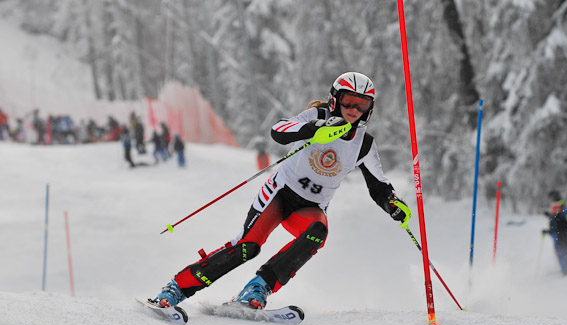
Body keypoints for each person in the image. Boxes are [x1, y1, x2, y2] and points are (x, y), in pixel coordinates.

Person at [151, 72, 412, 310]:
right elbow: (279, 130)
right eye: (348, 101)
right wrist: (312, 130)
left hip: (310, 208)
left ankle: (257, 289)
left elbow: (378, 185)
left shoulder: (363, 144)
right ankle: (177, 288)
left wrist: (392, 204)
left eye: (361, 104)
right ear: (335, 100)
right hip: (280, 194)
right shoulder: (317, 116)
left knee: (317, 233)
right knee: (248, 247)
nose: (353, 109)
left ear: (369, 109)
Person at [542, 190, 567, 275]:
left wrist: (556, 214)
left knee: (564, 252)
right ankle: (566, 270)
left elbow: (563, 216)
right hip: (558, 234)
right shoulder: (556, 206)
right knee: (560, 253)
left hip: (563, 233)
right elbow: (554, 222)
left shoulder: (561, 204)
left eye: (551, 197)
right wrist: (548, 230)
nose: (550, 199)